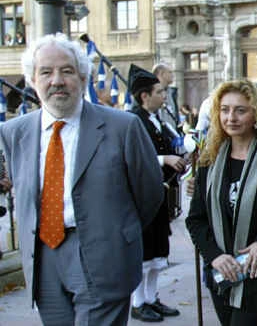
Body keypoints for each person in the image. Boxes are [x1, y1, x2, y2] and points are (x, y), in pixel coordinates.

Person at [0, 33, 163, 325]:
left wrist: (116, 233)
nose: (57, 80)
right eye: (46, 72)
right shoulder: (14, 132)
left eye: (67, 71)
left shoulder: (123, 127)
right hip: (43, 259)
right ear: (33, 79)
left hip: (105, 254)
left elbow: (149, 194)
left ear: (83, 77)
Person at [185, 81, 257, 325]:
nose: (231, 117)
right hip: (221, 273)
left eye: (240, 110)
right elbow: (196, 219)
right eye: (225, 110)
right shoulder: (208, 161)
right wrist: (214, 256)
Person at [128, 64, 186, 322]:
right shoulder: (133, 121)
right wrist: (165, 159)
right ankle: (138, 302)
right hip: (141, 197)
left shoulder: (156, 119)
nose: (164, 96)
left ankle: (151, 298)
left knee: (158, 250)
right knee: (144, 251)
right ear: (144, 96)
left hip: (159, 193)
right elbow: (133, 156)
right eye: (159, 91)